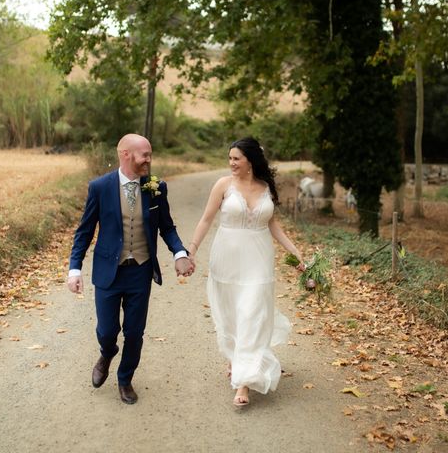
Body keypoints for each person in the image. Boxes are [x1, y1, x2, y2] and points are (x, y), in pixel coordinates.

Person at [67, 133, 194, 405]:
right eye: (144, 154)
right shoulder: (100, 187)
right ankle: (107, 352)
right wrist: (74, 269)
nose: (149, 159)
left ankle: (125, 379)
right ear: (125, 154)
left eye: (150, 154)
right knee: (107, 331)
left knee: (135, 332)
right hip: (108, 272)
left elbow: (167, 227)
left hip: (140, 271)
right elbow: (84, 231)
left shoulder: (155, 186)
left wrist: (180, 253)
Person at [188, 137, 305, 407]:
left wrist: (295, 253)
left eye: (236, 159)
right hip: (226, 259)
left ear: (250, 160)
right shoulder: (223, 185)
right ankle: (236, 358)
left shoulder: (266, 188)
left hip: (258, 260)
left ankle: (243, 383)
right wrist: (191, 250)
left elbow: (274, 225)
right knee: (230, 315)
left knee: (252, 313)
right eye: (229, 158)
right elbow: (206, 218)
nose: (231, 163)